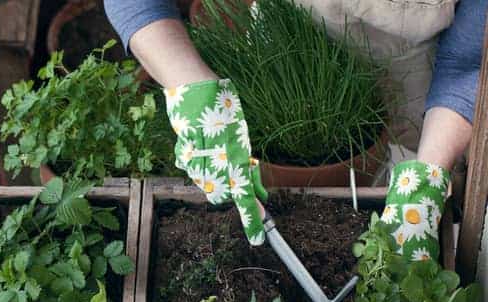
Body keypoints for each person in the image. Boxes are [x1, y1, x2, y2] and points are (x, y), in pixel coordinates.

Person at [105, 0, 486, 262]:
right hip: (285, 62)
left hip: (417, 86)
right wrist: (191, 87)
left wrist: (428, 171)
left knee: (396, 199)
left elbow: (467, 59)